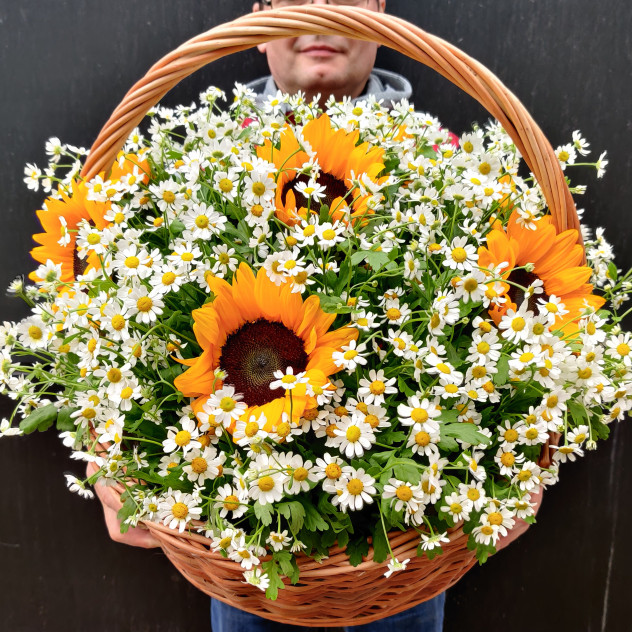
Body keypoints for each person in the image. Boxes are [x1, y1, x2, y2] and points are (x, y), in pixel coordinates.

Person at [90, 1, 542, 629]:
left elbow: (535, 322)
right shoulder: (191, 165)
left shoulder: (453, 164)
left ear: (380, 14)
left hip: (405, 553)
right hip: (247, 561)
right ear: (258, 19)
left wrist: (524, 457)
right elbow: (106, 314)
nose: (322, 12)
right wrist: (111, 449)